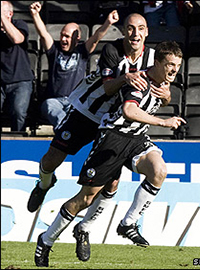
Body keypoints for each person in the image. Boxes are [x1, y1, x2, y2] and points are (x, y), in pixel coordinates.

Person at [27, 13, 171, 265]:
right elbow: (106, 88)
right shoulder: (112, 50)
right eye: (129, 29)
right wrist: (126, 78)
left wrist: (166, 94)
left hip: (116, 126)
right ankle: (43, 184)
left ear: (147, 32)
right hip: (87, 112)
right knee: (52, 159)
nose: (135, 34)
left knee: (112, 183)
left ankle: (85, 229)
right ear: (124, 32)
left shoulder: (153, 57)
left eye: (140, 29)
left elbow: (163, 94)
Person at [29, 2, 119, 130]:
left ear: (77, 39)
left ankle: (66, 132)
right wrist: (35, 14)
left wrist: (108, 23)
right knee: (49, 105)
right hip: (55, 101)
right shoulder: (54, 51)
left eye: (67, 36)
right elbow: (43, 34)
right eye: (62, 35)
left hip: (75, 102)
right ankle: (64, 129)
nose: (63, 39)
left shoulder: (82, 52)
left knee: (81, 113)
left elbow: (95, 38)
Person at [1, 1, 34, 132]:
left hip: (21, 80)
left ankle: (18, 142)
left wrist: (2, 18)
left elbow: (17, 39)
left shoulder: (19, 24)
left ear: (10, 14)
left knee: (18, 112)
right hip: (1, 81)